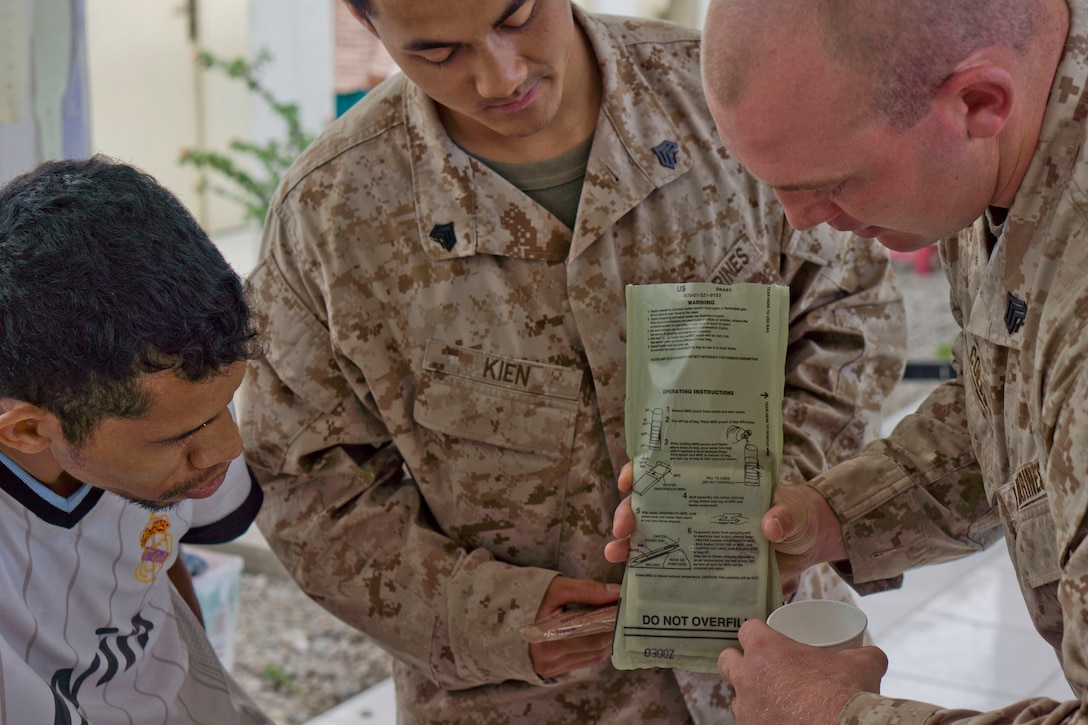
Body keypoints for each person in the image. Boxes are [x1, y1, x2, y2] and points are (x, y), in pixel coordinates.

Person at [236, 0, 906, 722]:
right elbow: (306, 482)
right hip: (528, 700)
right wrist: (481, 612)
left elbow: (850, 309)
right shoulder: (332, 215)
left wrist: (781, 502)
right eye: (438, 52)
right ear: (367, 25)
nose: (500, 76)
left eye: (516, 16)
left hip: (777, 668)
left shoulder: (727, 102)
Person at [609, 0, 1088, 722]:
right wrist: (830, 516)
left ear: (979, 101)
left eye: (830, 183)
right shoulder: (980, 153)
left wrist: (832, 714)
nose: (801, 220)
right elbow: (1021, 407)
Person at [0, 156, 270, 724]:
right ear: (27, 430)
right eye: (179, 436)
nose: (225, 448)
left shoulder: (172, 431)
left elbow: (158, 564)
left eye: (225, 405)